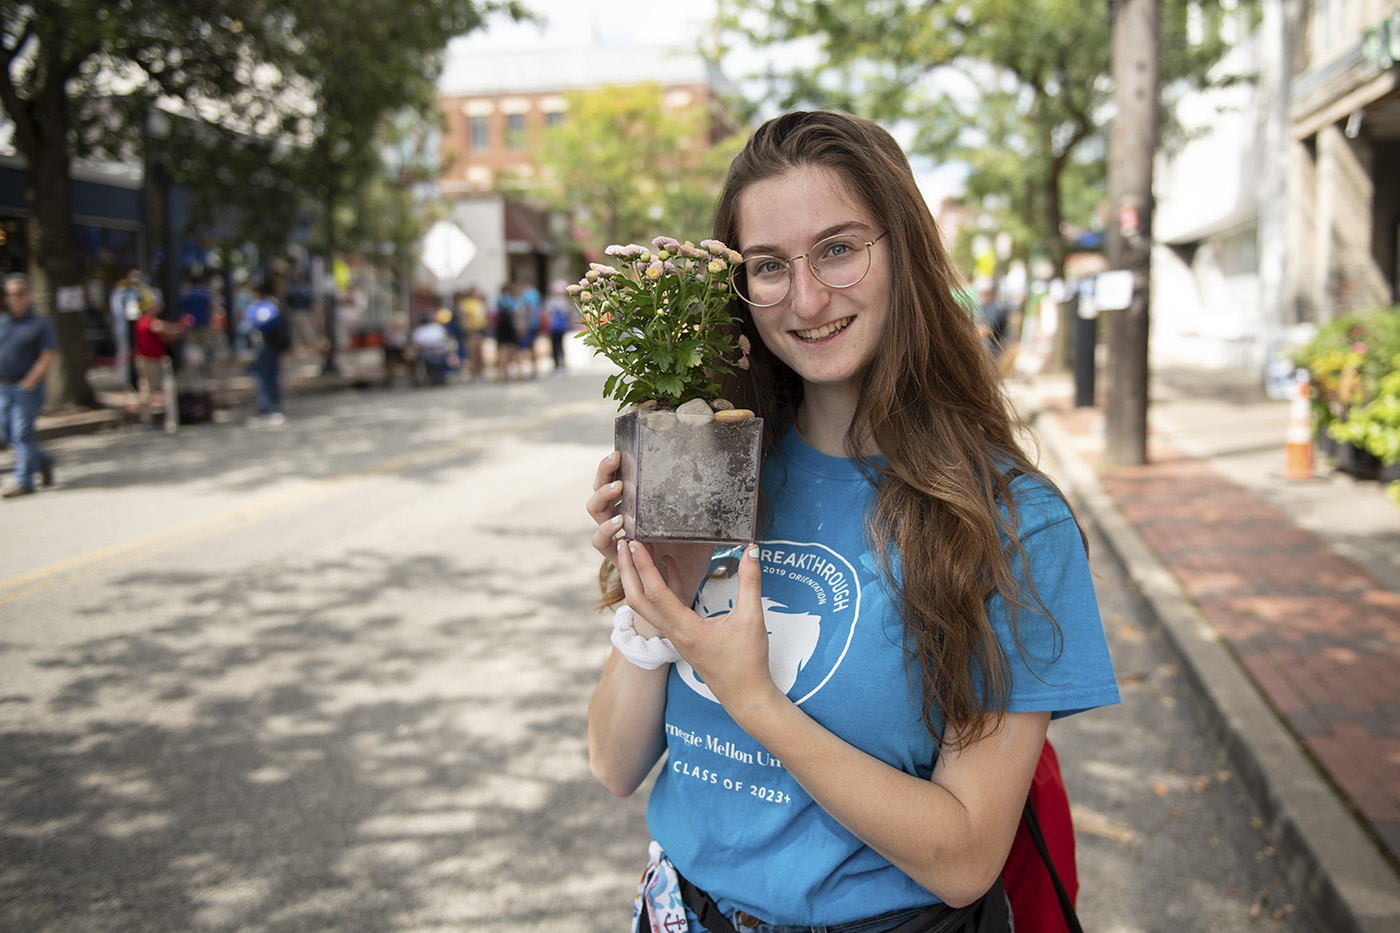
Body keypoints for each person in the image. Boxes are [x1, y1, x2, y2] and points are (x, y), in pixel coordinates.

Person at [584, 111, 1120, 933]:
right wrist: (653, 601)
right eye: (768, 265)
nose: (805, 298)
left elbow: (968, 855)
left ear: (902, 249)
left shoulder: (1013, 523)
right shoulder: (718, 469)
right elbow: (614, 763)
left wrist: (753, 696)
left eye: (838, 248)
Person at [0, 274, 56, 498]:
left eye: (19, 293)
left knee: (22, 432)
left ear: (29, 295)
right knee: (8, 433)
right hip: (3, 387)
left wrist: (31, 381)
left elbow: (47, 354)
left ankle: (24, 481)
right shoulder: (3, 323)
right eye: (10, 294)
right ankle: (43, 461)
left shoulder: (40, 325)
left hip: (27, 388)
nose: (15, 298)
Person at [133, 290, 185, 429]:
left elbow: (164, 329)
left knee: (165, 390)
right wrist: (179, 327)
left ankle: (167, 419)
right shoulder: (144, 321)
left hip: (158, 359)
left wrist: (178, 328)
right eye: (153, 305)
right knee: (147, 392)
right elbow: (160, 328)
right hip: (147, 361)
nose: (156, 308)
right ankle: (146, 421)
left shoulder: (150, 321)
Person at [243, 277, 289, 424]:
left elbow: (252, 322)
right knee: (272, 376)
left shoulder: (261, 306)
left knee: (264, 377)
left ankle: (268, 408)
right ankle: (274, 406)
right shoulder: (274, 304)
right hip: (273, 345)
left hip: (265, 345)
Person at [544, 280, 573, 375]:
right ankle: (560, 365)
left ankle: (559, 366)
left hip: (555, 327)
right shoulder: (562, 301)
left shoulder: (551, 301)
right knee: (559, 346)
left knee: (557, 346)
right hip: (558, 327)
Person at [459, 286, 488, 382]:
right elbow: (465, 318)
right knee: (472, 354)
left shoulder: (480, 303)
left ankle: (480, 373)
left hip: (480, 330)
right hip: (471, 331)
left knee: (480, 354)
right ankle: (474, 373)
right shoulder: (467, 303)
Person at [515, 278, 541, 380]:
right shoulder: (535, 293)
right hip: (533, 324)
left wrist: (525, 325)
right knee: (531, 347)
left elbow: (529, 310)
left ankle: (529, 371)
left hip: (528, 325)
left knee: (526, 349)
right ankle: (534, 370)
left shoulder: (528, 294)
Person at [493, 283, 519, 382]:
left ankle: (502, 375)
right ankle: (518, 374)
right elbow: (516, 313)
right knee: (513, 349)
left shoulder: (499, 299)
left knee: (502, 350)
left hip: (501, 327)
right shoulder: (512, 300)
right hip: (510, 326)